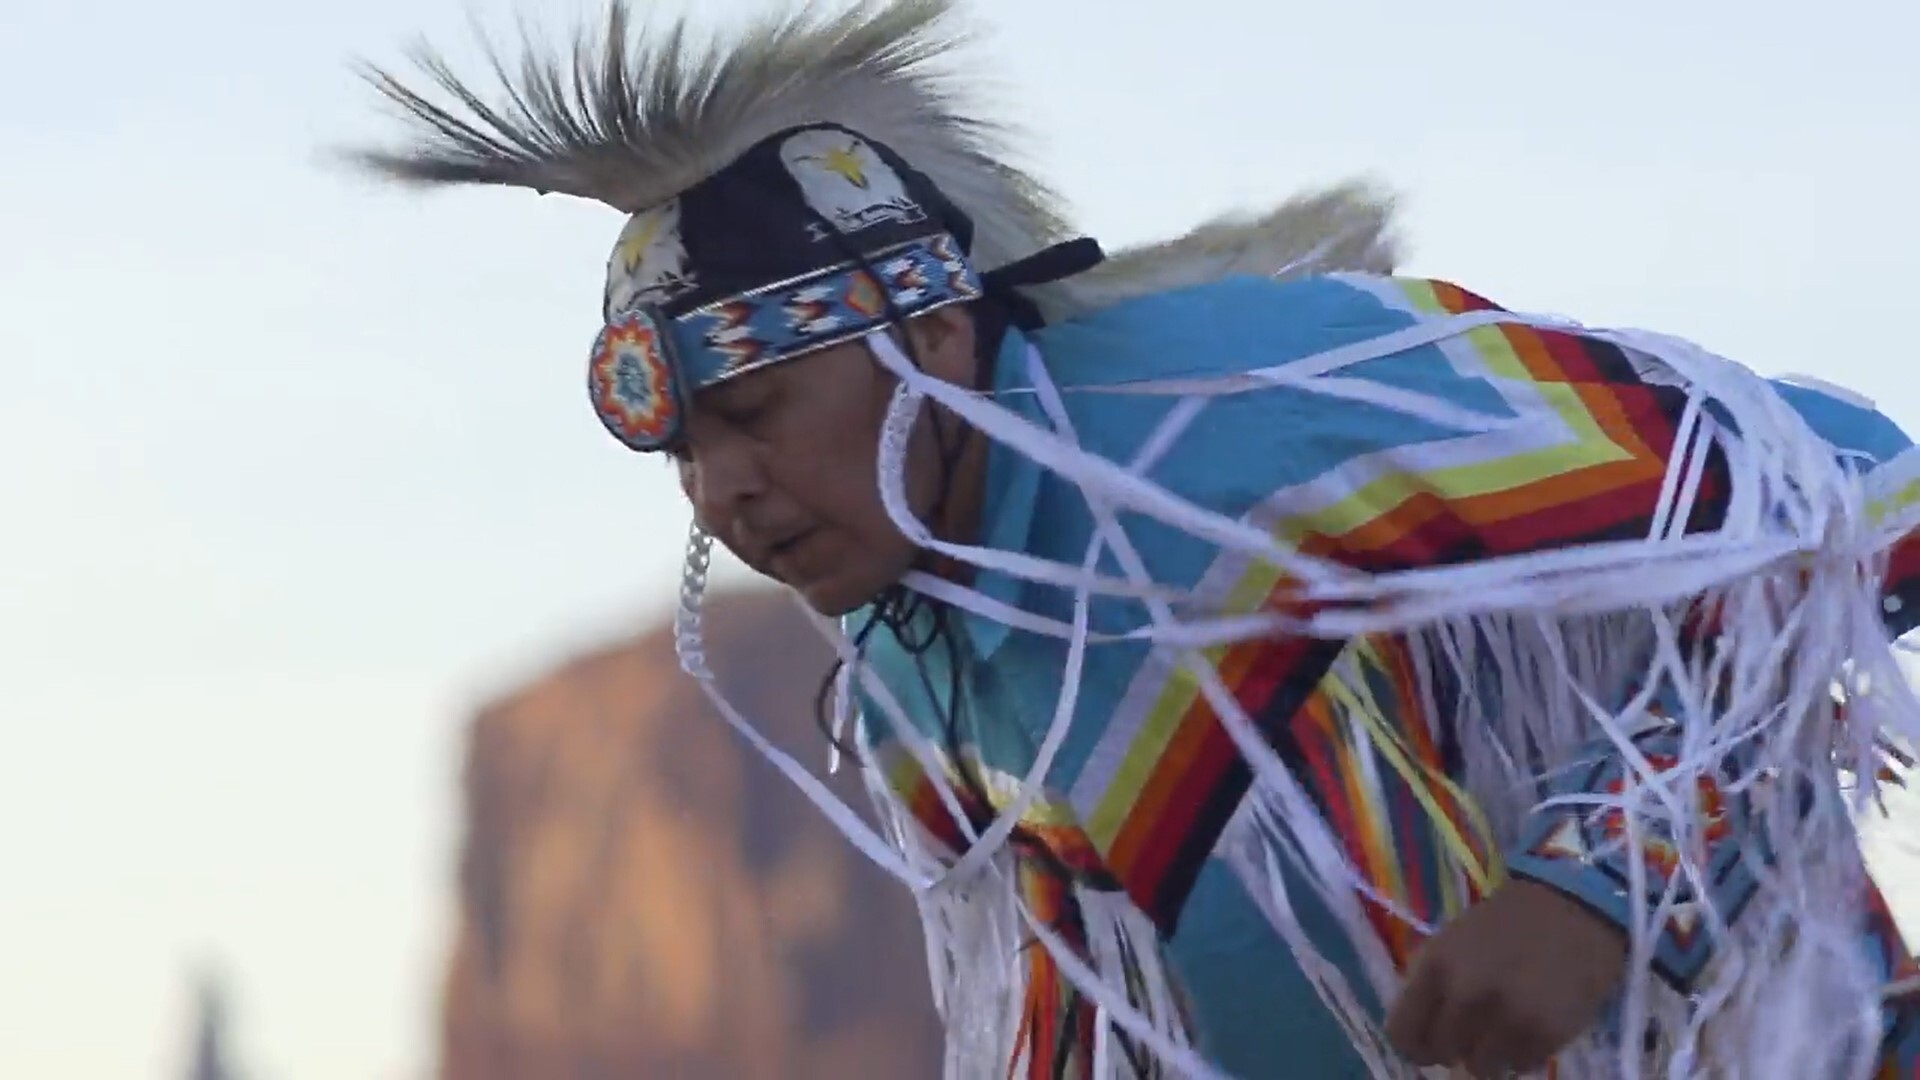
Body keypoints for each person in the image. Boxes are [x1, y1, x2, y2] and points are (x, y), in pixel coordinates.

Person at [347, 1, 1920, 1075]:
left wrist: (1602, 883)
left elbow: (1854, 492)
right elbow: (1071, 1013)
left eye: (756, 413)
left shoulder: (1252, 415)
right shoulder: (912, 648)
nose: (721, 495)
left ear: (934, 339)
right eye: (684, 450)